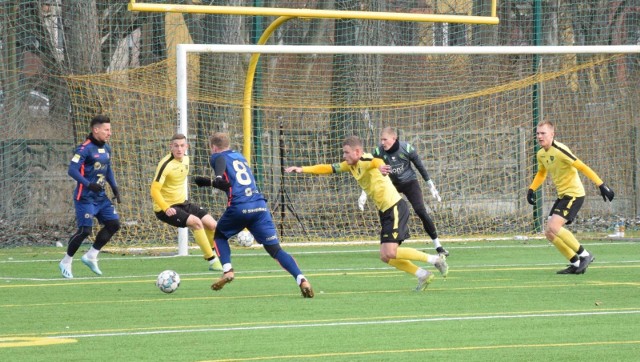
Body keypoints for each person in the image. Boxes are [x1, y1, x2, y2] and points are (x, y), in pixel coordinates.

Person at [285, 135, 448, 291]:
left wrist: (381, 166)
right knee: (386, 257)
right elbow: (328, 168)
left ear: (357, 151)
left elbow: (375, 161)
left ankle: (435, 260)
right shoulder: (350, 165)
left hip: (395, 207)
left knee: (390, 252)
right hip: (385, 212)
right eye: (343, 152)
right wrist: (302, 169)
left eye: (347, 152)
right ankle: (423, 275)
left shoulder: (364, 160)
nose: (344, 155)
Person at [193, 132, 314, 298]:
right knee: (275, 250)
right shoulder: (240, 157)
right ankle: (301, 279)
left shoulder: (216, 156)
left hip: (239, 207)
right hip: (259, 207)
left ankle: (227, 270)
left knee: (220, 236)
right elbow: (232, 185)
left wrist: (218, 175)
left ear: (213, 147)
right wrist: (210, 182)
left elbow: (220, 161)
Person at [527, 120, 614, 274]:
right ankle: (575, 263)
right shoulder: (541, 153)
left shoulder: (560, 150)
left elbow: (581, 166)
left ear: (552, 134)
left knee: (554, 227)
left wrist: (601, 185)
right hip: (563, 196)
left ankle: (585, 255)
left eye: (543, 133)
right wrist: (531, 189)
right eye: (538, 133)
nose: (540, 136)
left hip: (574, 194)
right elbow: (541, 173)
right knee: (549, 232)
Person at [359, 126, 449, 257]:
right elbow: (369, 172)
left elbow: (419, 166)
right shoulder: (378, 151)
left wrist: (431, 185)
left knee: (421, 211)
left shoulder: (406, 148)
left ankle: (438, 246)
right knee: (384, 212)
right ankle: (387, 244)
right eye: (381, 139)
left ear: (394, 138)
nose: (382, 142)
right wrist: (364, 193)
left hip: (409, 183)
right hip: (390, 185)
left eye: (385, 139)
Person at [59, 115, 121, 279]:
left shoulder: (107, 148)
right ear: (96, 130)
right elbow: (72, 170)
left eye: (110, 129)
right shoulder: (84, 149)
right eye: (106, 130)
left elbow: (107, 169)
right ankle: (66, 261)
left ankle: (91, 255)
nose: (110, 133)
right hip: (85, 197)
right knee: (85, 230)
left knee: (114, 224)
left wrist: (114, 187)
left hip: (100, 197)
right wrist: (88, 184)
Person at [150, 133, 222, 271]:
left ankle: (212, 251)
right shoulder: (166, 165)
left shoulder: (186, 159)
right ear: (171, 147)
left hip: (183, 203)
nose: (179, 149)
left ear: (186, 147)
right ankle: (212, 260)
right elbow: (154, 190)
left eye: (182, 146)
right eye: (176, 146)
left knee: (213, 225)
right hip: (165, 208)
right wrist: (165, 207)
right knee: (196, 223)